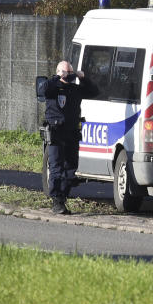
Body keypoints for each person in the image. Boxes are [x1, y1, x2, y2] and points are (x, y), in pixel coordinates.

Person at [43, 60, 98, 215]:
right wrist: (57, 77)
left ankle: (63, 196)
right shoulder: (52, 88)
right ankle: (57, 200)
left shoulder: (75, 89)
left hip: (72, 133)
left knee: (71, 168)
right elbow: (43, 88)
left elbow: (94, 91)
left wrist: (83, 77)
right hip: (56, 132)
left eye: (70, 72)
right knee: (56, 167)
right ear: (59, 71)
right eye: (65, 72)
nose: (68, 75)